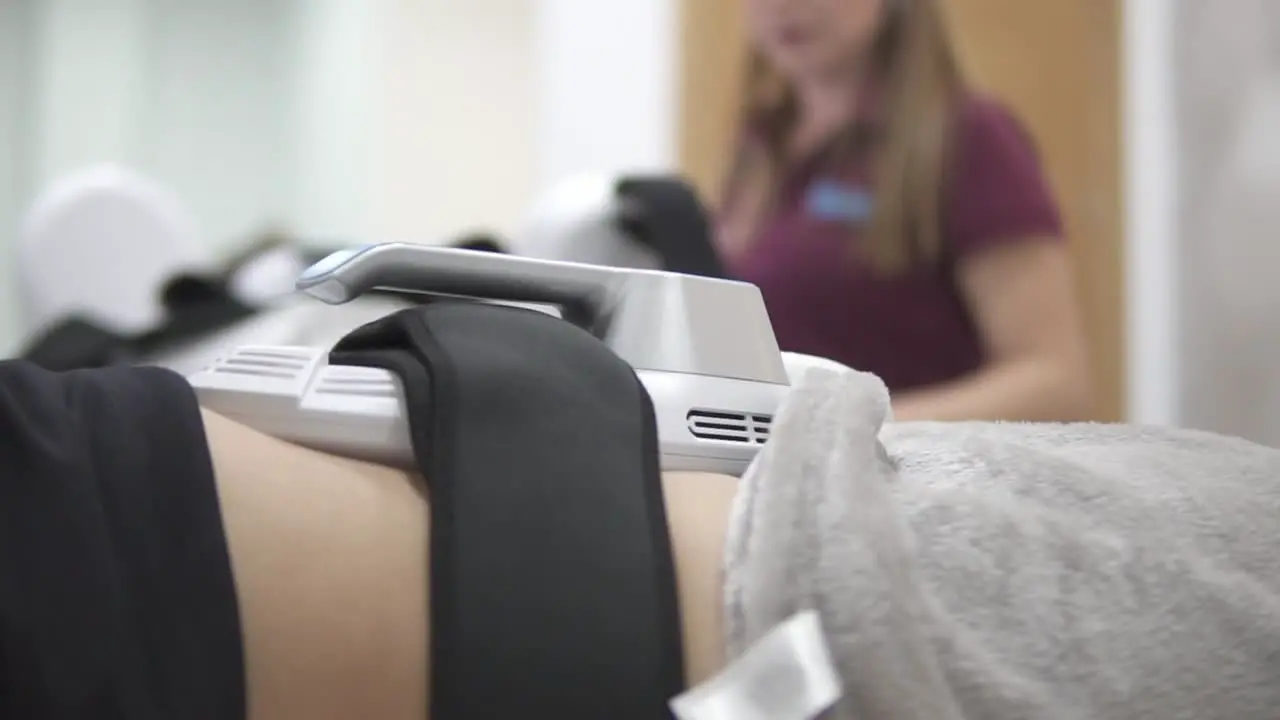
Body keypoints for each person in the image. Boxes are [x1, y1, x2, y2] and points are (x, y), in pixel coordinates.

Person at [7, 345, 1280, 718]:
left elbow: (1050, 363)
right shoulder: (766, 150)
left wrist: (833, 423)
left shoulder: (961, 148)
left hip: (841, 544)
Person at [718, 0, 1093, 421]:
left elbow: (1055, 382)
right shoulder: (762, 145)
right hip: (770, 471)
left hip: (908, 474)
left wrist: (856, 427)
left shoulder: (969, 137)